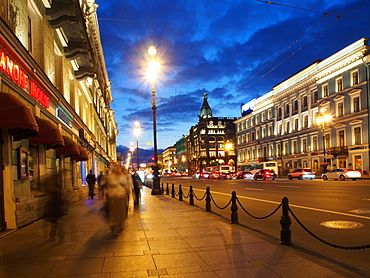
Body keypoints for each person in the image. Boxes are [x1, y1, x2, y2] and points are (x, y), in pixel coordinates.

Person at [105, 165, 133, 234]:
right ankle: (113, 224)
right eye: (116, 168)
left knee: (121, 210)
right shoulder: (110, 177)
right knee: (113, 210)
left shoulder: (124, 176)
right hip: (112, 195)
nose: (117, 169)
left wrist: (128, 193)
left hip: (121, 195)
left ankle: (120, 223)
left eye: (118, 168)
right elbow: (107, 186)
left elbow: (127, 186)